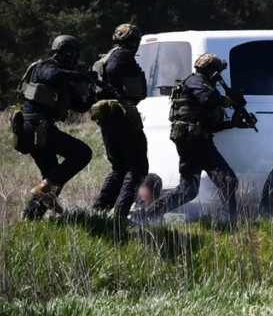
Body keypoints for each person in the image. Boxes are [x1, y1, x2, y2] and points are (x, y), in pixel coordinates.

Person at [134, 53, 238, 223]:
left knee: (228, 181)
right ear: (210, 70)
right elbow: (208, 99)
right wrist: (226, 100)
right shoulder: (196, 81)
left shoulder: (204, 84)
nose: (218, 77)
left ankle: (229, 221)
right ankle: (146, 215)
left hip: (203, 142)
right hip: (191, 142)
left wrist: (233, 122)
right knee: (188, 189)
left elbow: (208, 121)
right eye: (217, 72)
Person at [12, 35, 95, 220]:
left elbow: (80, 106)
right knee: (83, 153)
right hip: (35, 128)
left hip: (39, 130)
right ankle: (42, 193)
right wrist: (81, 75)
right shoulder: (43, 67)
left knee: (53, 179)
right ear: (66, 51)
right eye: (74, 54)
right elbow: (52, 75)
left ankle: (30, 218)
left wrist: (93, 90)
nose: (76, 59)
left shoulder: (63, 81)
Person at [90, 23, 149, 217]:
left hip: (109, 118)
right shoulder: (122, 55)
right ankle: (120, 216)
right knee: (138, 167)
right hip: (121, 117)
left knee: (120, 168)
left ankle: (99, 211)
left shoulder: (106, 56)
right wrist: (121, 98)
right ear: (131, 41)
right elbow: (114, 72)